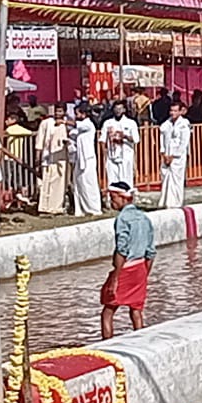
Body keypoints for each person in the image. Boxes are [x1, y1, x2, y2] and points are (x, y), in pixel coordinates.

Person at [101, 182, 155, 339]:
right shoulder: (144, 218)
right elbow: (151, 251)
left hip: (126, 268)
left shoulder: (122, 219)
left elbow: (121, 250)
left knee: (108, 311)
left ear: (122, 198)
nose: (111, 202)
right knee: (136, 310)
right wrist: (145, 274)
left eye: (113, 198)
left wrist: (115, 278)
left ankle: (106, 344)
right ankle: (140, 340)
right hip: (140, 267)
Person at [159, 100, 192, 208]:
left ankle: (176, 202)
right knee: (165, 178)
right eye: (171, 110)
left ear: (180, 112)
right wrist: (163, 153)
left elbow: (184, 142)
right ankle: (166, 202)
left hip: (178, 157)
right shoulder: (166, 124)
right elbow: (162, 138)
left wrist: (174, 155)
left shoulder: (184, 124)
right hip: (166, 155)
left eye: (175, 111)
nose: (173, 113)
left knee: (177, 180)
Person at [37, 103, 70, 215]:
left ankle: (57, 207)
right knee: (46, 182)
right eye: (56, 111)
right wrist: (38, 156)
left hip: (61, 158)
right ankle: (44, 207)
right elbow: (40, 140)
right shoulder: (46, 123)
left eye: (60, 111)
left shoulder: (67, 123)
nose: (57, 113)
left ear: (64, 112)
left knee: (59, 184)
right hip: (47, 156)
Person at [71, 105, 102, 216]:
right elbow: (73, 134)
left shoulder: (88, 124)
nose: (76, 116)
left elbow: (76, 125)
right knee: (79, 183)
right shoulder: (79, 129)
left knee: (89, 182)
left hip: (88, 158)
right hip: (79, 158)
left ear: (84, 114)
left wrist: (64, 122)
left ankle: (94, 208)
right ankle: (81, 208)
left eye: (78, 113)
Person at [101, 102, 140, 189]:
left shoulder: (131, 123)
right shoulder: (108, 123)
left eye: (120, 109)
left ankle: (126, 195)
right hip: (111, 156)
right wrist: (105, 154)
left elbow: (136, 139)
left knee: (126, 180)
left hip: (126, 156)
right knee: (112, 181)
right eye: (116, 109)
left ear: (124, 110)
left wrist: (125, 136)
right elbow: (102, 140)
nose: (118, 111)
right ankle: (113, 196)